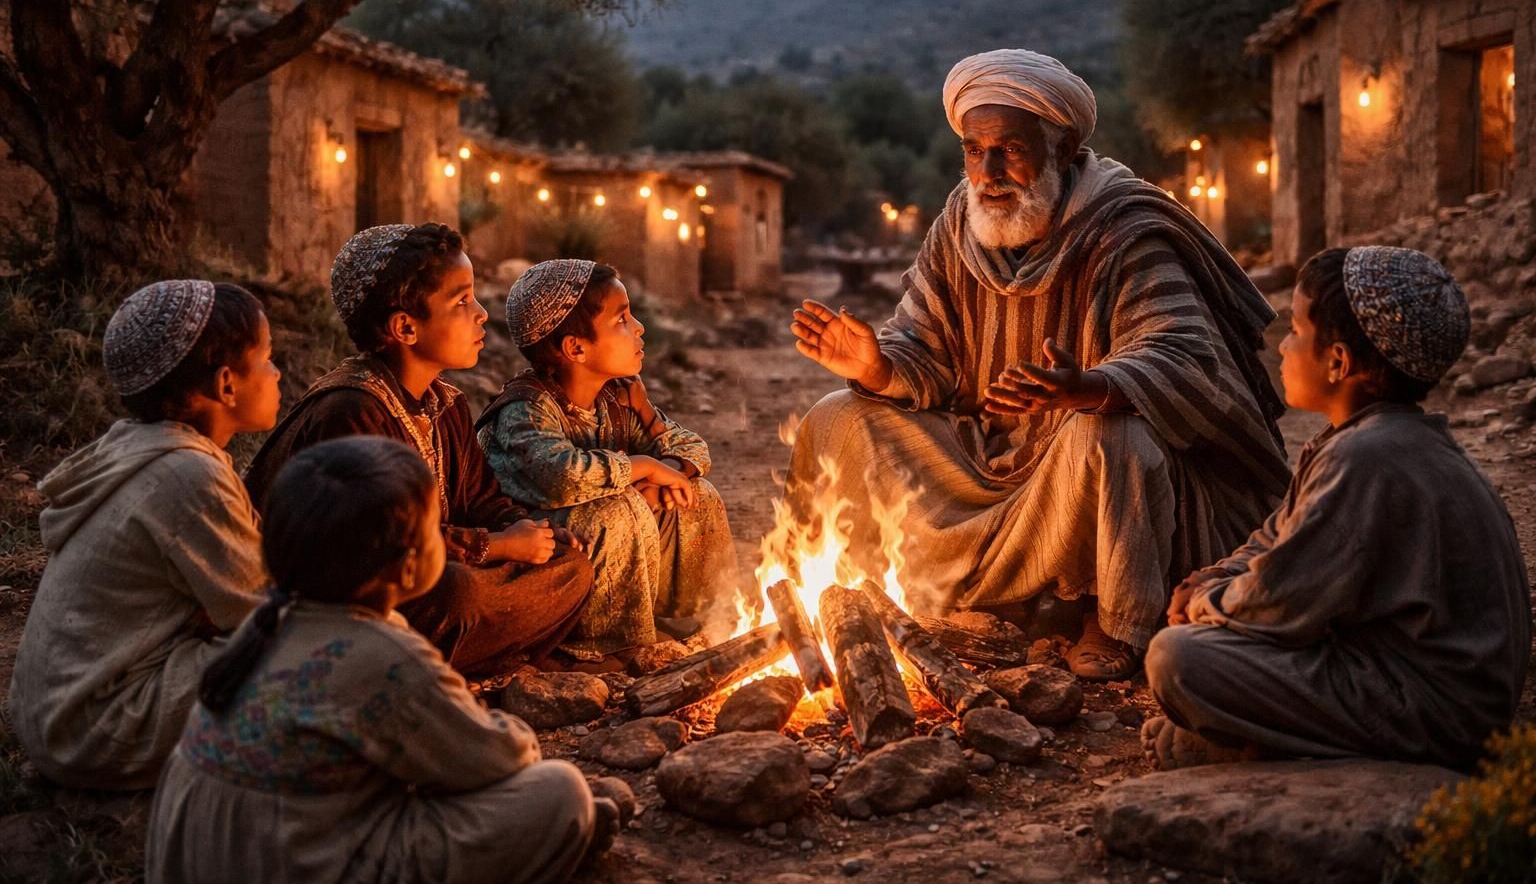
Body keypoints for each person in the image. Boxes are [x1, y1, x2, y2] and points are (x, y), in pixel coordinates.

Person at [787, 49, 1290, 680]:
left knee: (1110, 435)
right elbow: (924, 353)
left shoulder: (1124, 229)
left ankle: (1108, 613)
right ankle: (880, 589)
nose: (989, 171)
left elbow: (1186, 355)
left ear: (1063, 149)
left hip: (1086, 462)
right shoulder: (958, 224)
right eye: (974, 150)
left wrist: (1091, 386)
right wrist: (877, 367)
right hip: (988, 458)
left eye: (1011, 150)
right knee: (840, 416)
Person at [147, 436, 612, 883]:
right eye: (434, 529)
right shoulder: (386, 656)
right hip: (296, 863)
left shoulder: (266, 624)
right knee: (560, 790)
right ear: (408, 564)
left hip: (202, 856)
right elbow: (498, 758)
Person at [1143, 246, 1531, 770]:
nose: (1282, 349)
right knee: (1203, 632)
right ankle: (1251, 735)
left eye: (1297, 332)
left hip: (1437, 715)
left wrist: (1201, 605)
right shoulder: (1358, 440)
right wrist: (1211, 581)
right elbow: (1275, 542)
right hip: (1395, 674)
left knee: (1178, 658)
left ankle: (1259, 744)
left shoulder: (1367, 457)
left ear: (1339, 361)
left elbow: (1280, 602)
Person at [244, 224, 593, 678]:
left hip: (434, 572)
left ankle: (464, 661)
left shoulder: (445, 403)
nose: (482, 314)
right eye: (462, 301)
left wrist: (527, 529)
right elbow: (378, 546)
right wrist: (501, 546)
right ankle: (425, 671)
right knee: (456, 592)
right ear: (405, 326)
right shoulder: (351, 410)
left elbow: (479, 500)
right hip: (345, 600)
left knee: (572, 567)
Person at [9, 280, 278, 788]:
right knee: (317, 652)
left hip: (56, 717)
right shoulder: (187, 474)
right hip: (97, 729)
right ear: (226, 384)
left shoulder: (140, 446)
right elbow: (258, 612)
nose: (277, 372)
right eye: (267, 358)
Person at [478, 260, 739, 659]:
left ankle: (694, 622)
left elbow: (693, 450)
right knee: (614, 512)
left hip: (615, 531)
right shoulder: (525, 411)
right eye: (622, 319)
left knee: (696, 494)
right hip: (541, 559)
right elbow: (562, 476)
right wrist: (647, 468)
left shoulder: (613, 400)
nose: (639, 327)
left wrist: (650, 421)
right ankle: (603, 646)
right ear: (576, 348)